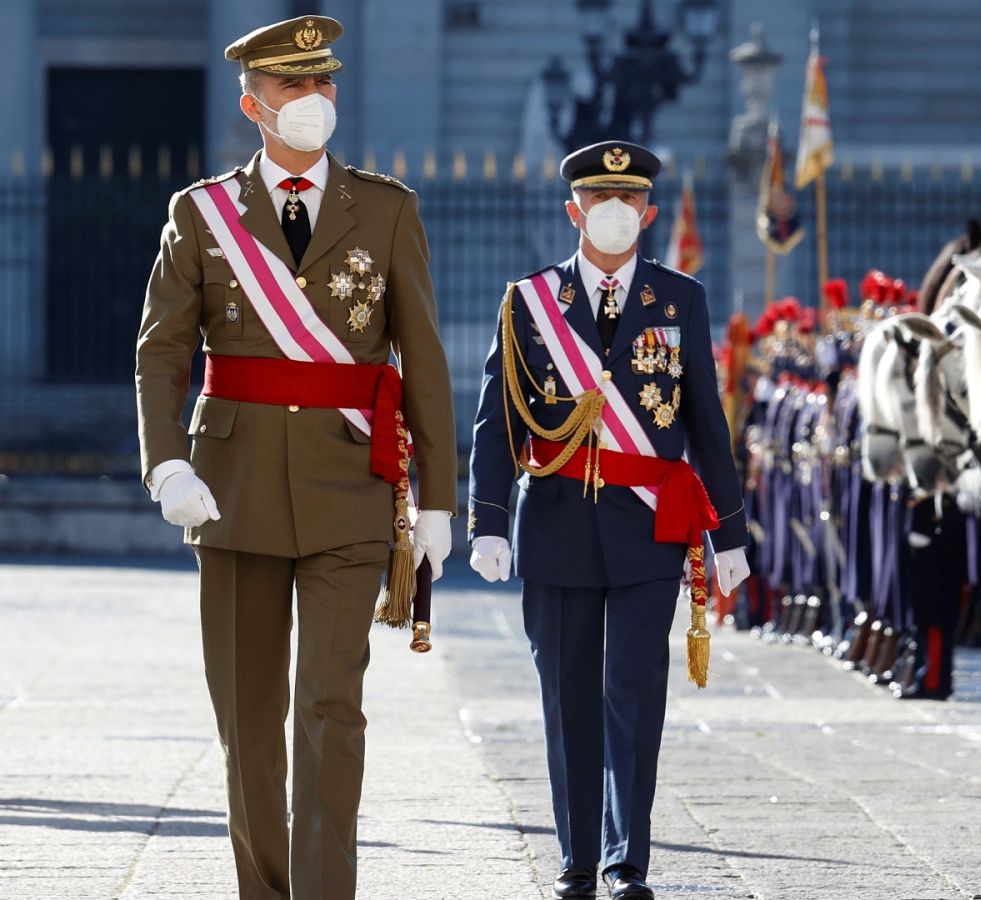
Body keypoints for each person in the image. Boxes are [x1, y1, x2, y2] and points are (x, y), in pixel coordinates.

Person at [133, 16, 455, 900]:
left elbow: (422, 358)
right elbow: (162, 351)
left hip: (350, 490)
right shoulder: (201, 214)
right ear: (253, 105)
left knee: (329, 709)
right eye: (292, 87)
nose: (314, 101)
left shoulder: (386, 209)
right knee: (248, 719)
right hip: (230, 493)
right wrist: (167, 465)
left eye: (324, 85)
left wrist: (438, 500)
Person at [466, 140, 750, 900]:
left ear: (649, 213)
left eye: (629, 202)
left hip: (647, 526)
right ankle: (576, 858)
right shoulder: (528, 302)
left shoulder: (677, 297)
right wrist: (487, 520)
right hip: (556, 520)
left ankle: (628, 862)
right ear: (574, 211)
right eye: (600, 201)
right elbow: (496, 421)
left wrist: (731, 530)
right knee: (567, 695)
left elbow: (705, 423)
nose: (615, 214)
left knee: (634, 689)